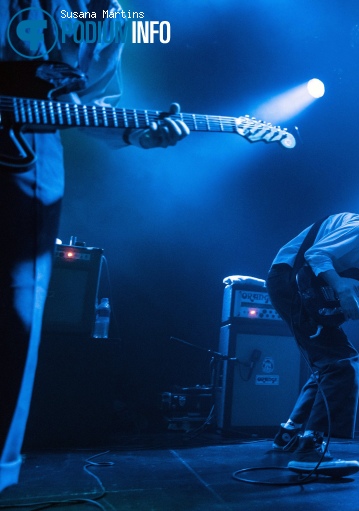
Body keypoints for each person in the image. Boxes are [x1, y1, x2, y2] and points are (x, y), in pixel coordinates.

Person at [1, 1, 189, 492]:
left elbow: (91, 104)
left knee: (16, 314)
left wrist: (139, 132)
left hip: (27, 154)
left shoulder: (111, 16)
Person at [266, 210, 359, 477]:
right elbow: (316, 256)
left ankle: (288, 435)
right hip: (290, 282)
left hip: (288, 284)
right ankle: (310, 449)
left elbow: (336, 291)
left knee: (328, 365)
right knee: (342, 363)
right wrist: (343, 288)